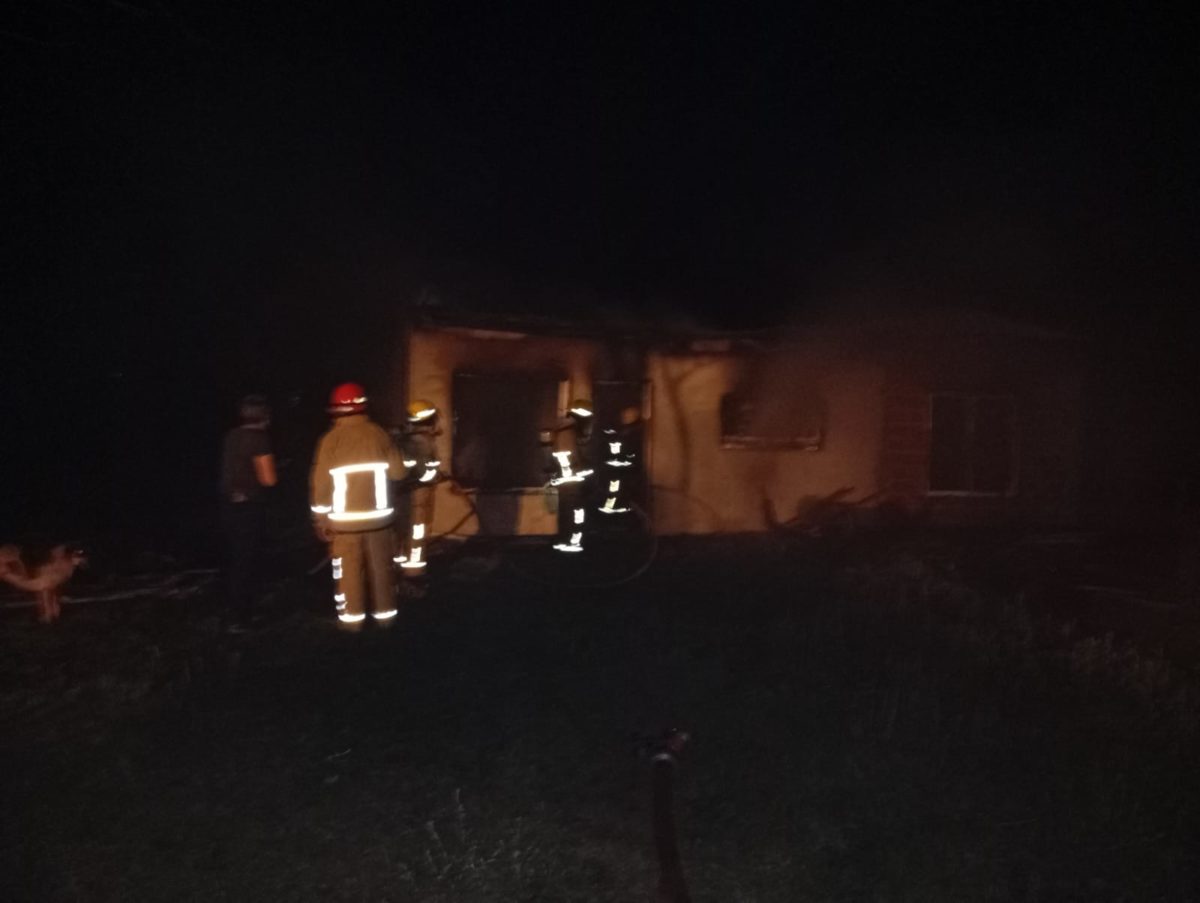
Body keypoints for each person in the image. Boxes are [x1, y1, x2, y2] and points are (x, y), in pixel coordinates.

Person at [309, 382, 406, 631]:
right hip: (380, 523)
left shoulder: (331, 440)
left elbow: (321, 485)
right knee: (383, 573)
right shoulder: (380, 434)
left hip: (344, 526)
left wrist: (321, 520)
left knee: (348, 576)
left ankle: (352, 626)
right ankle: (387, 622)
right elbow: (398, 473)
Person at [219, 394, 277, 632]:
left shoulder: (232, 436)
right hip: (249, 508)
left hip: (229, 505)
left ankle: (235, 609)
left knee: (236, 559)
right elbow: (269, 479)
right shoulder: (259, 439)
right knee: (248, 561)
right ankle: (242, 617)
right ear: (264, 415)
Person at [396, 399, 442, 577]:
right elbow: (425, 473)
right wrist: (436, 475)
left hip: (404, 496)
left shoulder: (405, 440)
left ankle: (398, 572)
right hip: (418, 496)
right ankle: (414, 574)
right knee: (417, 534)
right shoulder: (422, 442)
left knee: (402, 533)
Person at [543, 398, 595, 553]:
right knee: (574, 513)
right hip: (571, 484)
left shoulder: (567, 432)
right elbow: (567, 461)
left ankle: (568, 540)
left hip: (569, 484)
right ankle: (571, 542)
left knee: (569, 513)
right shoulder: (569, 434)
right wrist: (585, 473)